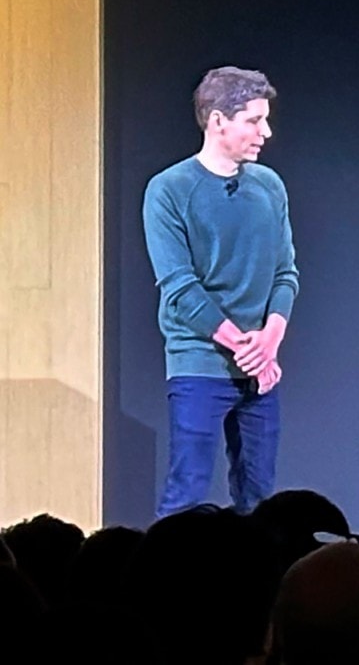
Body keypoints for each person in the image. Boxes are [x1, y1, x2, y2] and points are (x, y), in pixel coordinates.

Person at [142, 65, 299, 517]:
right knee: (186, 495)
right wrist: (245, 348)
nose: (265, 132)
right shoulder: (169, 190)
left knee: (260, 500)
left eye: (265, 120)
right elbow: (180, 288)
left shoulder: (269, 186)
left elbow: (285, 273)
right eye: (254, 120)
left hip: (259, 367)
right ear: (217, 121)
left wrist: (269, 343)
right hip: (200, 362)